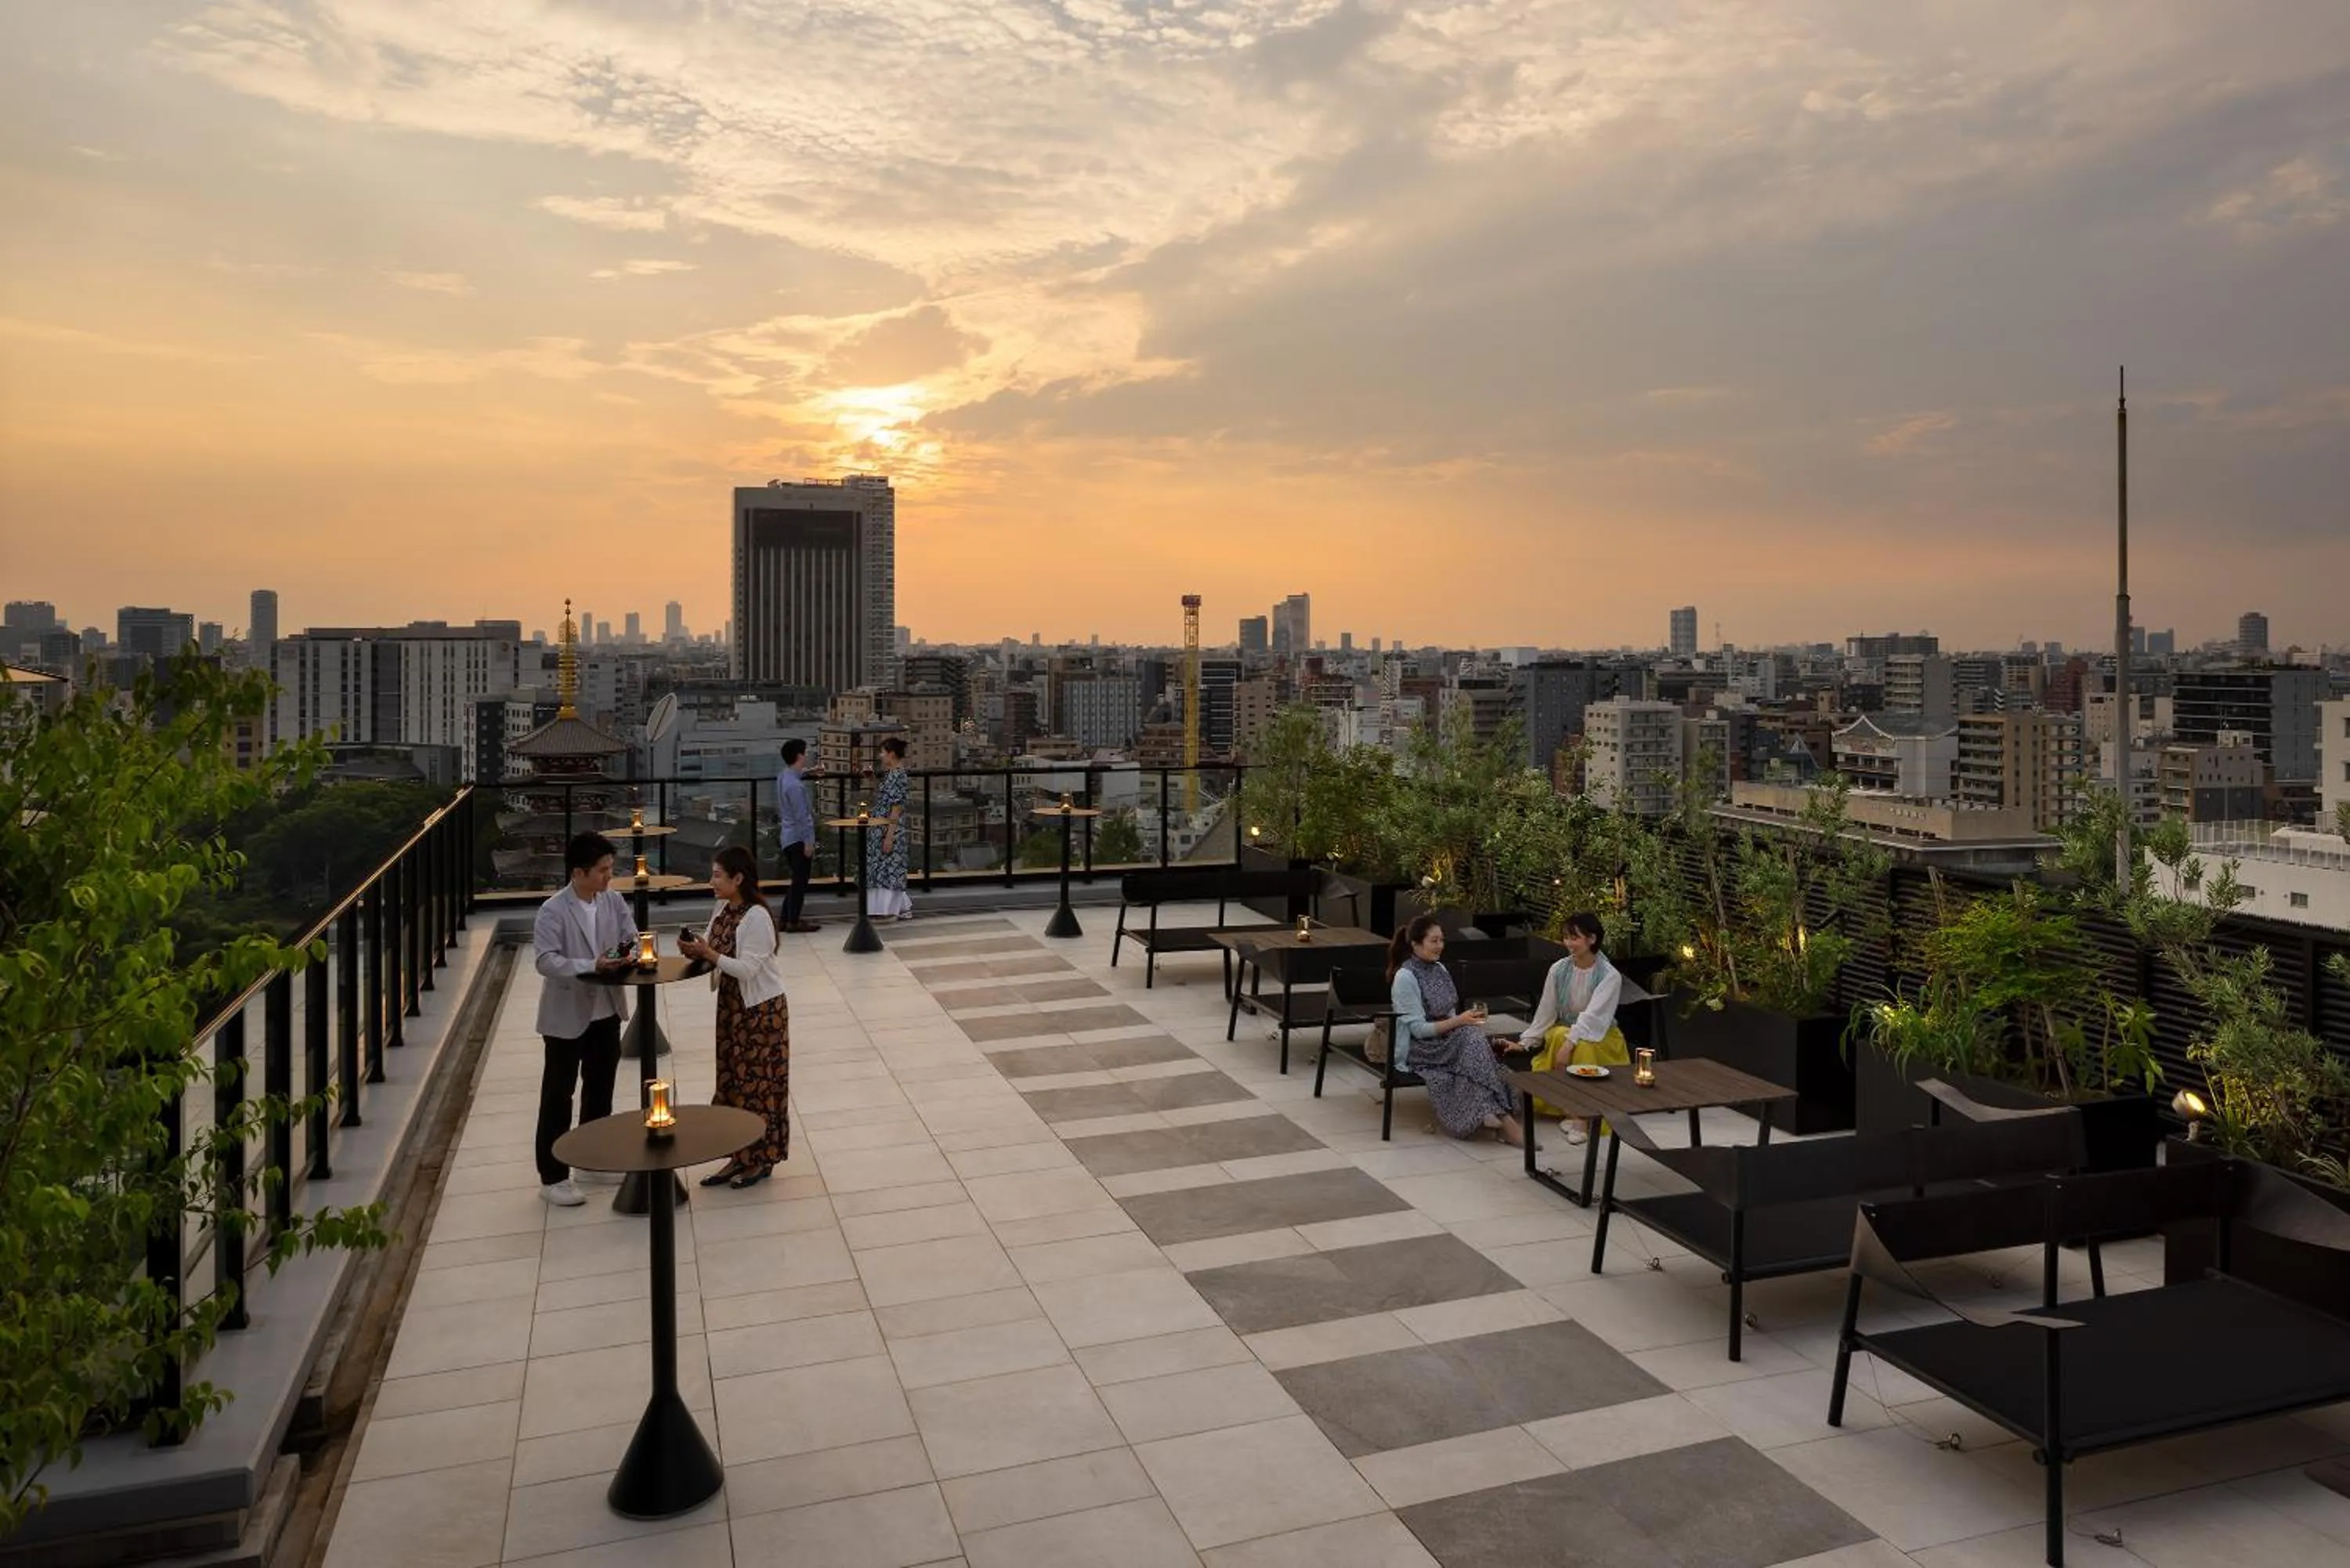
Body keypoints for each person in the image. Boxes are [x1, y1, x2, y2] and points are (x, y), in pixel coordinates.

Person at [531, 832, 640, 1206]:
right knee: (558, 1095)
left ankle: (592, 1161)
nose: (609, 876)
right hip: (567, 1014)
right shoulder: (553, 910)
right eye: (603, 870)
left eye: (610, 868)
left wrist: (626, 955)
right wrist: (591, 965)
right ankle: (552, 1176)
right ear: (578, 873)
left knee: (600, 1088)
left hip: (606, 1010)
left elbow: (631, 938)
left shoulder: (613, 901)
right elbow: (545, 960)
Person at [679, 845, 789, 1187]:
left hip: (759, 1013)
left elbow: (747, 969)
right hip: (732, 1008)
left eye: (717, 875)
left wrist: (709, 953)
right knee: (732, 1083)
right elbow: (716, 950)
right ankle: (738, 1155)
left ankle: (759, 1159)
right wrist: (697, 950)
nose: (712, 881)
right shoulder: (723, 908)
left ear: (738, 879)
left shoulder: (757, 917)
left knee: (758, 1085)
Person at [1388, 914, 1524, 1147]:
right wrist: (1459, 1021)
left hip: (1447, 1041)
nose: (1440, 946)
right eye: (1434, 941)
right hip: (1421, 1048)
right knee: (1471, 1039)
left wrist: (1461, 1022)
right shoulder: (1405, 977)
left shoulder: (1440, 968)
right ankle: (1506, 1122)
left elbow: (1450, 1013)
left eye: (1442, 940)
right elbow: (1418, 1031)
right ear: (1415, 944)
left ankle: (1498, 1118)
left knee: (1472, 1040)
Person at [1510, 911, 1630, 1145]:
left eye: (1575, 938)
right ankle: (1575, 1113)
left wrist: (1568, 1045)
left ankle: (1580, 1117)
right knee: (1559, 1033)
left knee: (1581, 1044)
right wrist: (1526, 1043)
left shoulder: (1609, 975)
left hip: (1601, 1036)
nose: (1568, 943)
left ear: (1592, 939)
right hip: (1566, 1032)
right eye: (1566, 937)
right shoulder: (1558, 969)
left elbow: (1593, 1017)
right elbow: (1546, 1011)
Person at [775, 738, 820, 933]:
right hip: (798, 838)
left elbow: (796, 774)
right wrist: (809, 842)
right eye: (805, 752)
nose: (807, 754)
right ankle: (793, 920)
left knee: (796, 879)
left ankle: (785, 919)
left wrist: (810, 771)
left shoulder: (784, 777)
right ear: (799, 756)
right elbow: (803, 818)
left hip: (787, 836)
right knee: (800, 881)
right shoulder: (796, 787)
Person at [866, 735, 913, 922]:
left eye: (883, 752)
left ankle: (890, 909)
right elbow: (885, 797)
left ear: (891, 754)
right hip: (883, 826)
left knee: (888, 868)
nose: (881, 756)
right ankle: (898, 908)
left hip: (889, 828)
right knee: (885, 868)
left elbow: (896, 807)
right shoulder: (892, 774)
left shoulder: (897, 775)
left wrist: (889, 836)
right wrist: (873, 781)